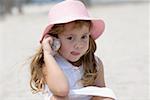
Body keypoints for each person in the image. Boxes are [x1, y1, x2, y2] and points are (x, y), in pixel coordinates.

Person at [30, 0, 116, 100]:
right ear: (55, 39)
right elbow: (62, 90)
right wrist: (48, 54)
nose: (78, 45)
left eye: (84, 37)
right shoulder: (50, 64)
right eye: (70, 38)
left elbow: (100, 93)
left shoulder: (95, 63)